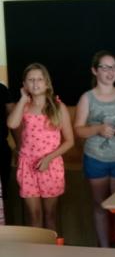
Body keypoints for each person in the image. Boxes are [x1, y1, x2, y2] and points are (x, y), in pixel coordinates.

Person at [74, 51, 115, 248]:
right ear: (95, 71)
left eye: (113, 67)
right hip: (96, 159)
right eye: (105, 67)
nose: (110, 72)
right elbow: (78, 129)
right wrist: (98, 129)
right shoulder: (87, 98)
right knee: (100, 205)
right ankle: (104, 248)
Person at [7, 63, 74, 231]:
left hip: (50, 166)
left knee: (50, 215)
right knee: (34, 215)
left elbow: (69, 141)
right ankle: (36, 247)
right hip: (27, 166)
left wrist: (48, 158)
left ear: (47, 83)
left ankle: (51, 247)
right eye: (31, 80)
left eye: (39, 79)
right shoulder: (24, 107)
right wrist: (22, 99)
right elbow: (12, 124)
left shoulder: (58, 107)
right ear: (24, 84)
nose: (35, 83)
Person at [0, 81, 15, 204]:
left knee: (2, 194)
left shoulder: (2, 89)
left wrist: (19, 146)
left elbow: (13, 122)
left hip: (1, 148)